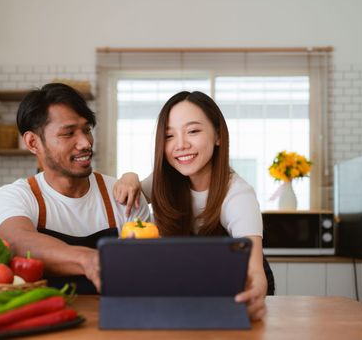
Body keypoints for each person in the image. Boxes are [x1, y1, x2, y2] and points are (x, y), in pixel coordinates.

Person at [113, 91, 273, 321]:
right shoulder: (165, 182)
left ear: (218, 135)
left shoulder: (238, 194)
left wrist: (256, 291)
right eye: (169, 136)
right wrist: (129, 176)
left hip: (232, 289)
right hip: (188, 290)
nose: (181, 145)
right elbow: (134, 187)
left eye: (193, 131)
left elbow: (253, 268)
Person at [0, 83, 150, 294]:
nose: (85, 143)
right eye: (68, 133)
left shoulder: (122, 196)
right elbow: (15, 241)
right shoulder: (16, 196)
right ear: (32, 142)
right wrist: (87, 259)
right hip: (44, 320)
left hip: (113, 320)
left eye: (86, 130)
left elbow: (145, 268)